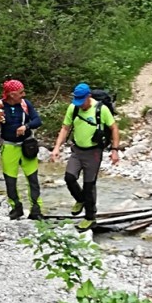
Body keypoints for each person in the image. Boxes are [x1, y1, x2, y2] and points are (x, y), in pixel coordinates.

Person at [50, 83, 120, 230]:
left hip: (93, 152)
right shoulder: (73, 108)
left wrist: (114, 150)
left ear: (88, 96)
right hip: (77, 150)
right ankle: (80, 200)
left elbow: (114, 128)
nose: (80, 104)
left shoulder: (102, 109)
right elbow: (65, 128)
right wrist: (57, 147)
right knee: (69, 177)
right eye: (77, 101)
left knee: (89, 185)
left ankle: (90, 217)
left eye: (82, 101)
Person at [0, 79, 42, 220]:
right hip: (8, 146)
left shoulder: (26, 105)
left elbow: (37, 120)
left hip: (27, 146)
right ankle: (16, 208)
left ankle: (36, 210)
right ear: (11, 94)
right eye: (21, 92)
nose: (23, 94)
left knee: (32, 179)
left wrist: (26, 127)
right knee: (10, 180)